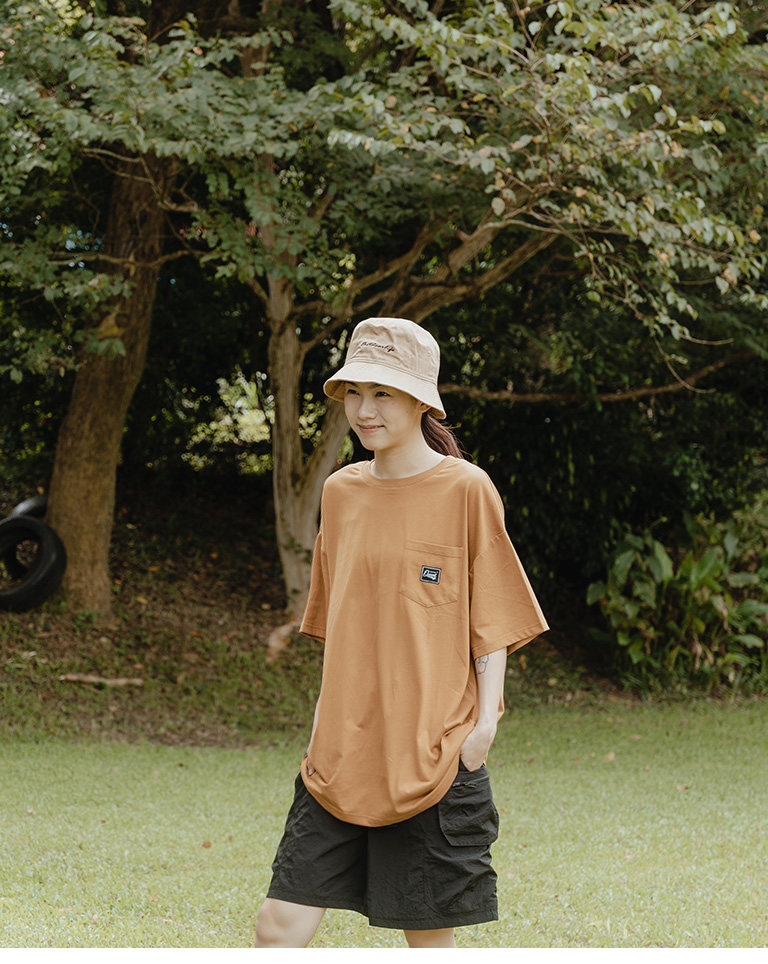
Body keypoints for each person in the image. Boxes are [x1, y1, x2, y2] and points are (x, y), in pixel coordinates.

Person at [254, 317, 548, 948]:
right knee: (277, 925)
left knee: (427, 941)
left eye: (383, 393)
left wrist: (484, 727)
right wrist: (321, 726)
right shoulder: (340, 493)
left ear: (421, 400)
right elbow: (339, 626)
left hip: (432, 757)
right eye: (355, 393)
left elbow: (493, 615)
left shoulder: (466, 488)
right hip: (340, 755)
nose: (365, 410)